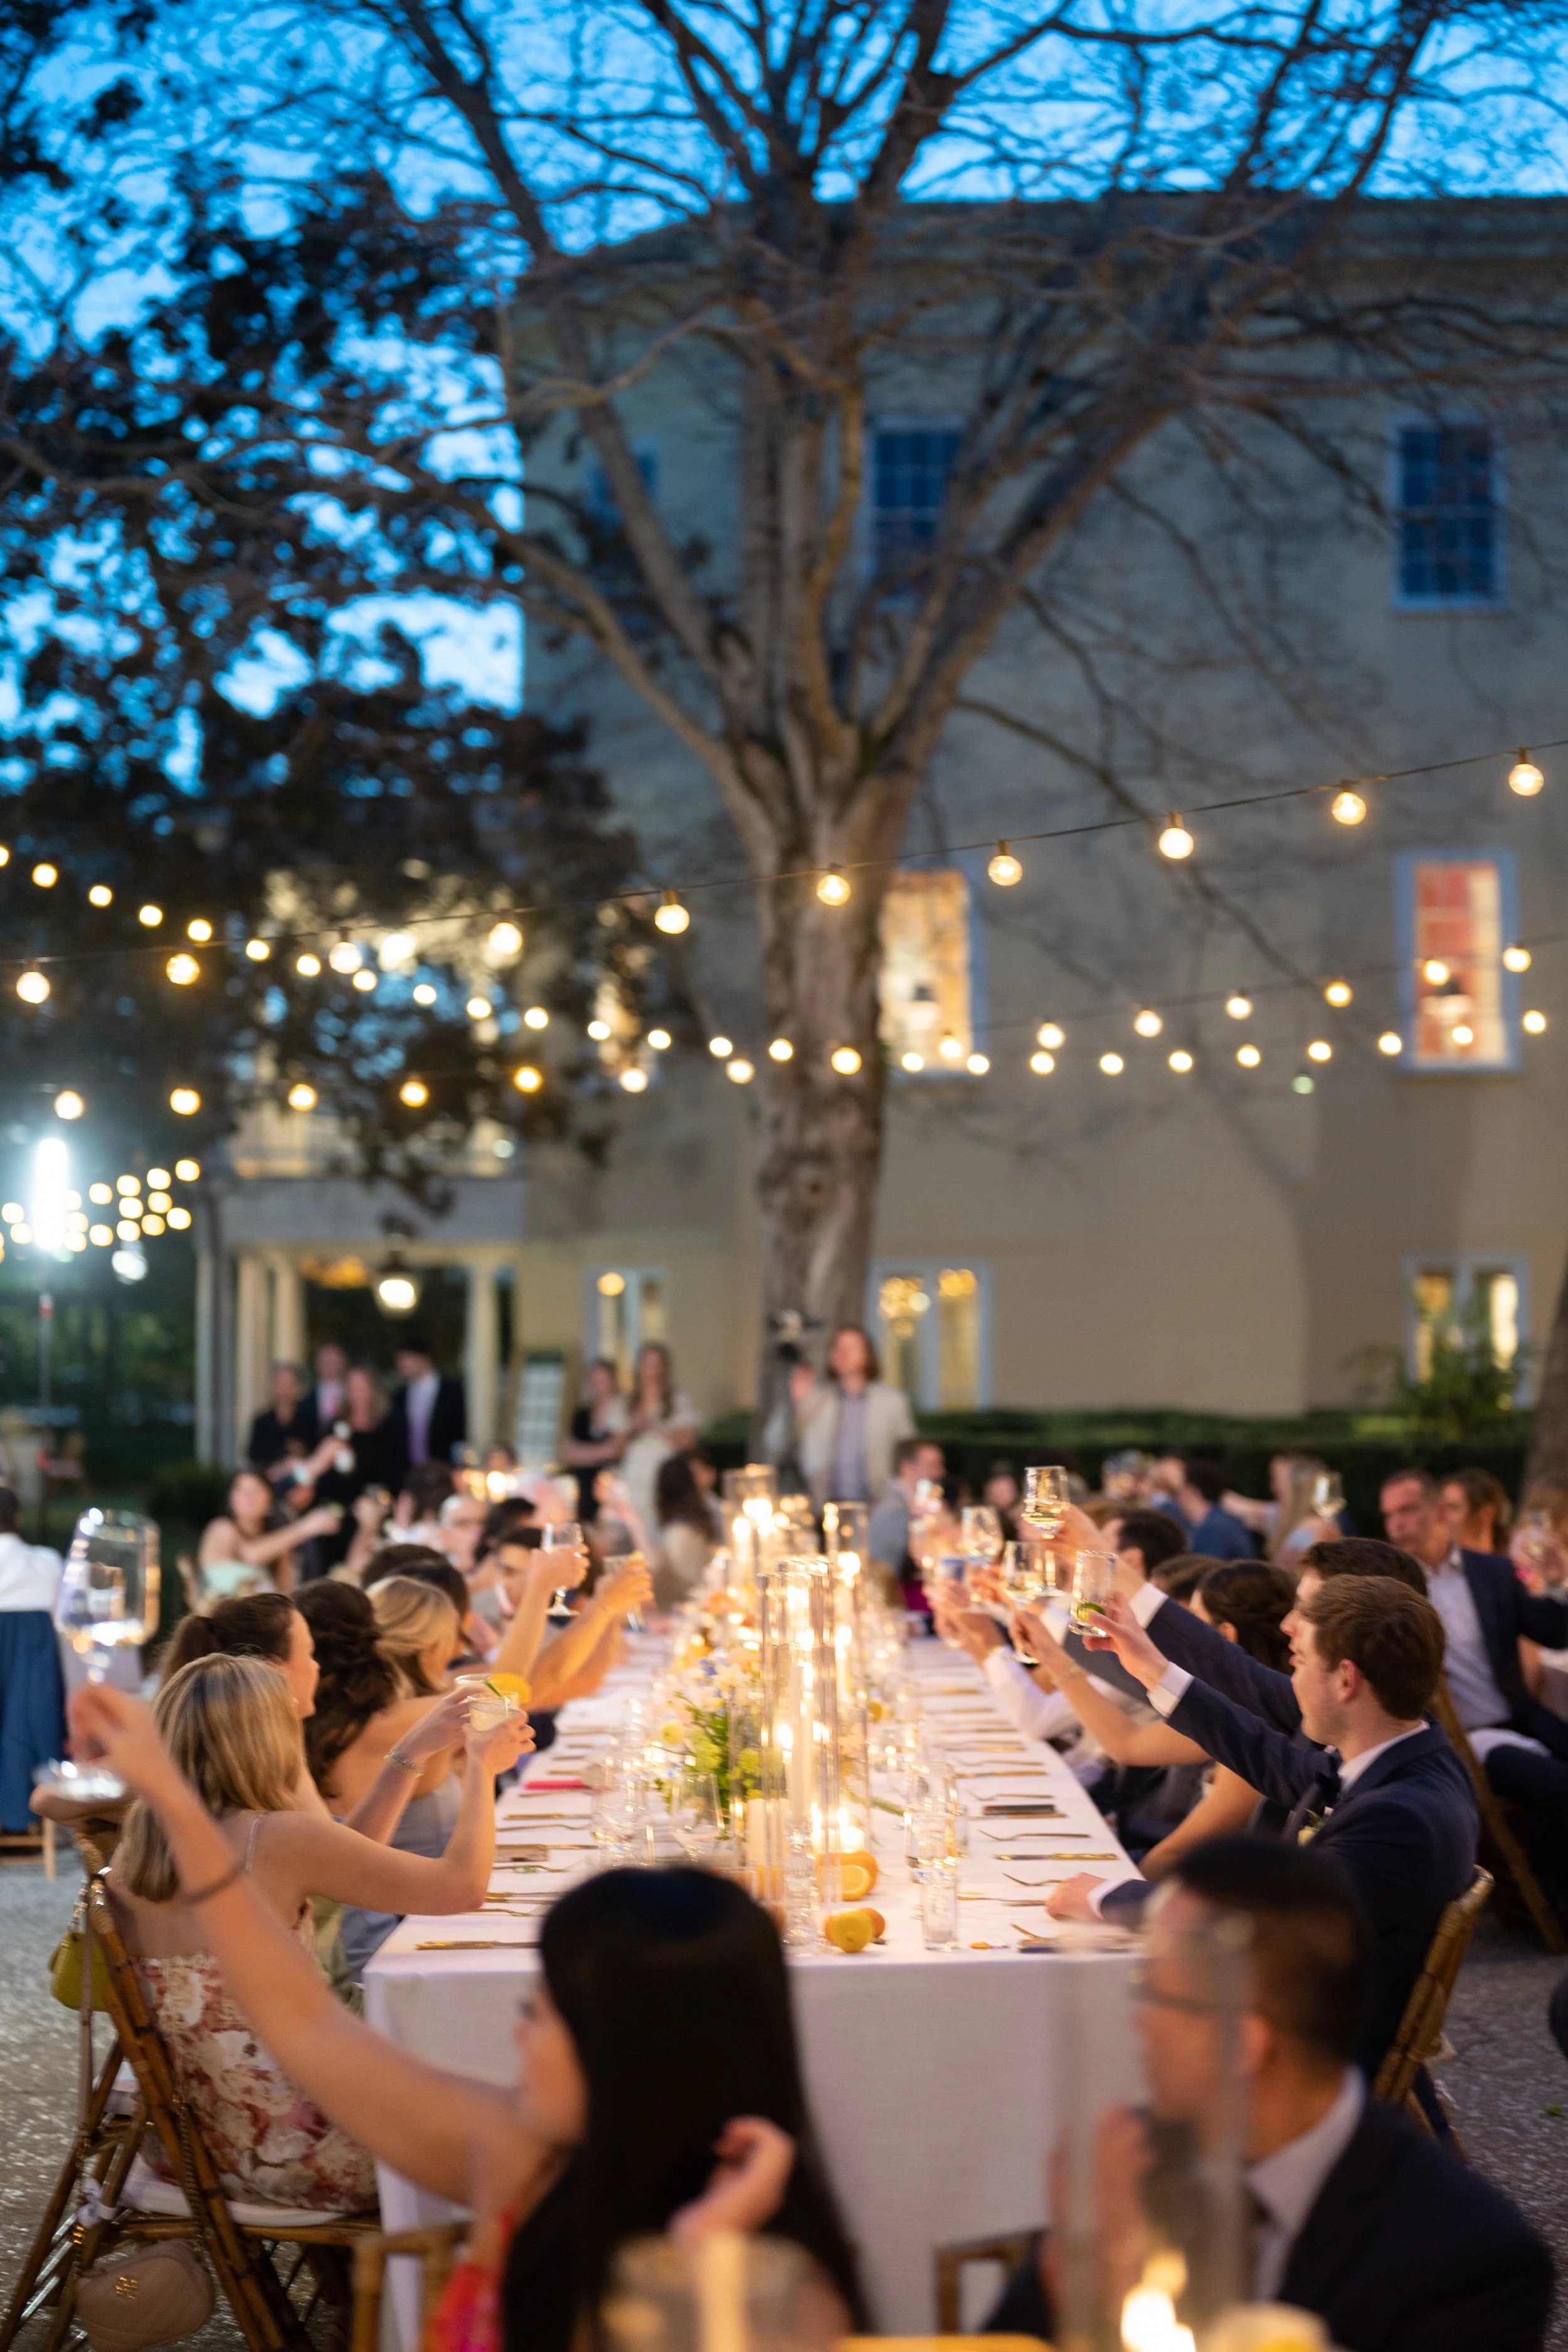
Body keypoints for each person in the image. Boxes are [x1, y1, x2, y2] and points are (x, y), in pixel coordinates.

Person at [70, 1676, 871, 2352]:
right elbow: (304, 2023)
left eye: (548, 2012)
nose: (519, 2031)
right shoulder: (512, 2153)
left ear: (645, 2047)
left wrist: (701, 2253)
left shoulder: (787, 2298)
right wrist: (172, 1801)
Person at [988, 1839, 1554, 2352]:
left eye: (1153, 1994)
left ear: (1243, 2043)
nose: (1137, 2023)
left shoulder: (1464, 2261)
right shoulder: (1138, 2163)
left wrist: (1110, 2289)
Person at [101, 1651, 526, 2207]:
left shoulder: (135, 1853)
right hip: (304, 2149)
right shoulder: (274, 1838)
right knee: (512, 2126)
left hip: (195, 2147)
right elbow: (460, 1889)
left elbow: (350, 1860)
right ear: (267, 1741)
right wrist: (481, 1771)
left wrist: (411, 1751)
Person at [1069, 1576, 1477, 2081]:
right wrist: (1150, 1667)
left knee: (1075, 2028)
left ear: (1346, 1680)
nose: (1292, 1678)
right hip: (1293, 2007)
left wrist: (1103, 1895)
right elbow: (1269, 1758)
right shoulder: (1408, 1754)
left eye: (1300, 1662)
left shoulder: (1400, 1817)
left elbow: (1256, 1930)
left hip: (1304, 2057)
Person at [1381, 1466, 1568, 1902]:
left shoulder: (1493, 1571)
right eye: (1390, 1516)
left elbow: (1554, 1633)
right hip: (1462, 1739)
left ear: (1440, 1510)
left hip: (1520, 1716)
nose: (1398, 1525)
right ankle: (1553, 1903)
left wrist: (1557, 1583)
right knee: (1557, 1787)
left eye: (1408, 1510)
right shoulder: (1392, 1591)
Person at [781, 1325, 916, 1510]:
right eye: (837, 1347)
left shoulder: (892, 1402)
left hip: (877, 1506)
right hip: (824, 1507)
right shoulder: (815, 1400)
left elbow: (909, 1457)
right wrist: (795, 1404)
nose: (843, 1353)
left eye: (851, 1347)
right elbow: (777, 1443)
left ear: (868, 1356)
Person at [0, 1483, 63, 1831]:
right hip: (33, 1673)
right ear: (18, 1518)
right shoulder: (47, 1562)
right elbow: (64, 1619)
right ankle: (29, 1816)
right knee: (22, 1725)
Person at [198, 1468, 342, 1598]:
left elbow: (285, 1593)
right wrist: (306, 1527)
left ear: (269, 1500)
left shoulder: (276, 1540)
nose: (248, 1497)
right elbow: (251, 1554)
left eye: (256, 1490)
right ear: (231, 1499)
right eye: (241, 1490)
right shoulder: (221, 1527)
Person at [616, 1343, 697, 1530]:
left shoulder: (676, 1399)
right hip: (635, 1477)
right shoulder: (627, 1402)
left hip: (664, 1474)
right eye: (647, 1364)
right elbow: (615, 1448)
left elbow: (688, 1441)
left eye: (657, 1364)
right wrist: (633, 1428)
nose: (652, 1370)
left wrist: (656, 1427)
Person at [650, 1449, 723, 1609]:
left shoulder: (710, 1507)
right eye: (696, 1474)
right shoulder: (680, 1532)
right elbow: (685, 1583)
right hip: (687, 1604)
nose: (708, 1475)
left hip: (703, 1598)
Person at [560, 1357, 629, 1520]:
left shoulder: (622, 1412)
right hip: (584, 1486)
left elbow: (617, 1451)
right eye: (595, 1381)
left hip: (611, 1488)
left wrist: (583, 1454)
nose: (599, 1386)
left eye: (604, 1381)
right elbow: (566, 1452)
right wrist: (603, 1451)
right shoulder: (583, 1415)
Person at [867, 1436, 946, 1576]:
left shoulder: (912, 1504)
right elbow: (886, 1572)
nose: (940, 1473)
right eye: (932, 1466)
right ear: (907, 1468)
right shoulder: (892, 1509)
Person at [389, 1335, 468, 1470]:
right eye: (400, 1359)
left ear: (425, 1359)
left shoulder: (452, 1390)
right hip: (410, 1470)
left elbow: (459, 1432)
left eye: (408, 1358)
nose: (403, 1364)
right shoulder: (400, 1396)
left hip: (444, 1467)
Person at [1172, 1459, 1256, 1560]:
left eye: (1180, 1489)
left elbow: (1201, 1570)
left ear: (1191, 1491)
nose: (1177, 1496)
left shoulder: (1212, 1530)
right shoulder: (1225, 1521)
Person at [246, 1360, 320, 1470]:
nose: (285, 1389)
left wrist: (303, 1452)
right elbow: (254, 1459)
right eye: (281, 1383)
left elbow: (317, 1459)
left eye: (289, 1384)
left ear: (298, 1387)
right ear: (273, 1386)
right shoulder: (262, 1422)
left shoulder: (310, 1422)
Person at [1439, 1466, 1513, 1557]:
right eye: (1440, 1508)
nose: (1441, 1516)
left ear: (1486, 1514)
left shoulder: (1510, 1570)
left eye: (1453, 1508)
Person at [310, 1340, 349, 1436]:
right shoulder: (306, 1401)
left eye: (334, 1361)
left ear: (343, 1363)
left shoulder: (352, 1396)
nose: (330, 1365)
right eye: (326, 1361)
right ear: (318, 1364)